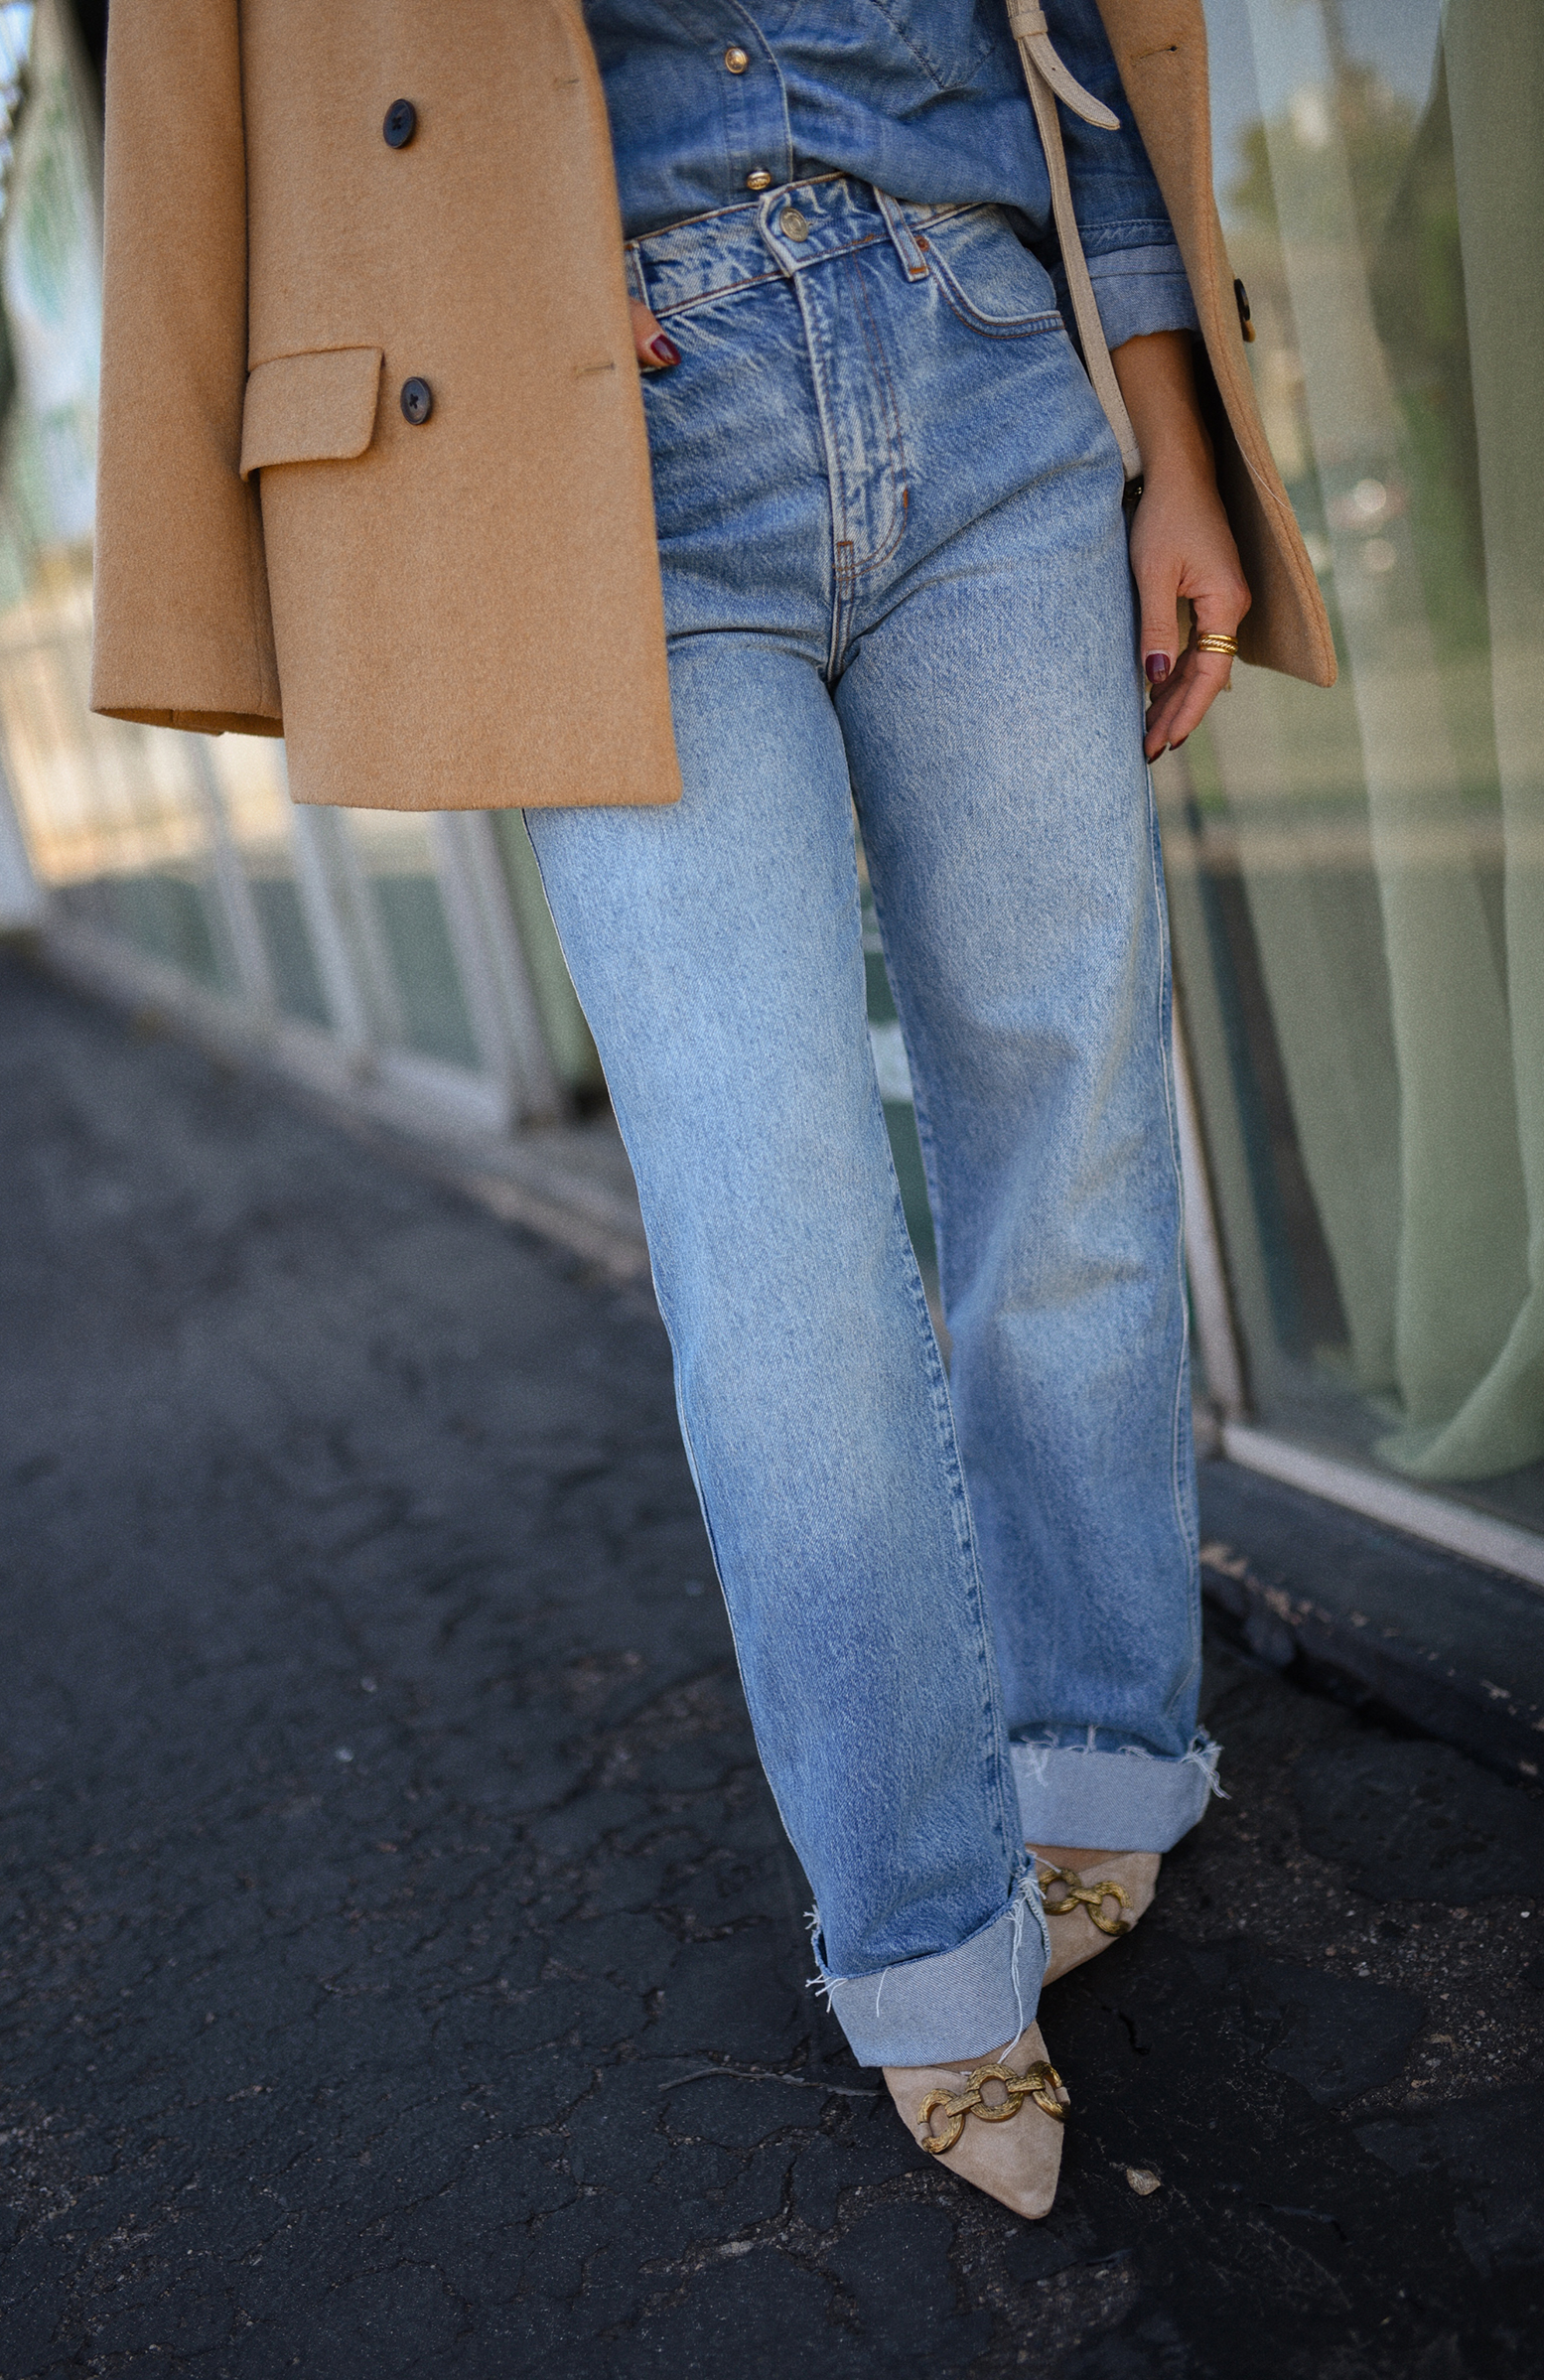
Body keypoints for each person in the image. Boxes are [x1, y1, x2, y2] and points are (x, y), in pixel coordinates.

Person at [91, 0, 1334, 2220]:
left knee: (1064, 1135)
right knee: (776, 1247)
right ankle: (928, 1941)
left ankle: (1098, 1759)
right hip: (582, 440)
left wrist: (1161, 417)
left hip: (974, 332)